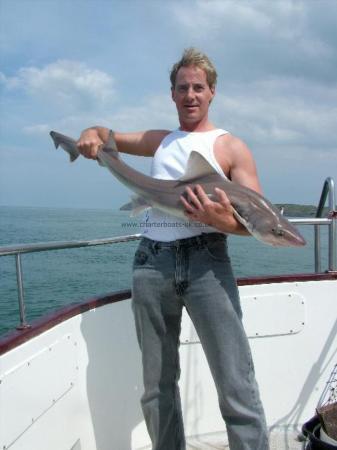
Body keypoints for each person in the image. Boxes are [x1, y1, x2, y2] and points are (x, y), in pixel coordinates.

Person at [77, 48, 269, 450]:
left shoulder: (231, 147)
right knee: (157, 388)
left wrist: (223, 222)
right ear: (172, 94)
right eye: (182, 87)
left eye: (199, 87)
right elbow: (104, 134)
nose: (190, 95)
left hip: (206, 265)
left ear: (212, 92)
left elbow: (258, 224)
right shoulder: (159, 141)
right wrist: (91, 136)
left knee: (235, 383)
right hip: (152, 264)